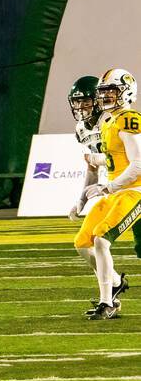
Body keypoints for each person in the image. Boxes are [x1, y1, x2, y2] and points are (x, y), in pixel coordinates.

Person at [73, 69, 141, 320]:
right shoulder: (108, 122)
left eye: (111, 91)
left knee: (102, 240)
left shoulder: (129, 119)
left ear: (126, 92)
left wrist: (107, 187)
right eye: (103, 92)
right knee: (83, 243)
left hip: (134, 191)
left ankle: (107, 302)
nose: (106, 96)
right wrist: (82, 196)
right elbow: (112, 158)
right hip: (116, 191)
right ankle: (113, 284)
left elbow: (138, 165)